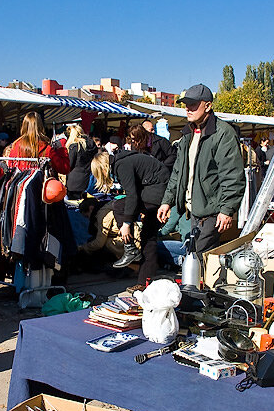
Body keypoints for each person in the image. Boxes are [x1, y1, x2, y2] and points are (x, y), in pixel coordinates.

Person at [158, 84, 245, 253]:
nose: (188, 109)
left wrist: (227, 210)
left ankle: (203, 279)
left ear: (208, 106)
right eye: (186, 104)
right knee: (195, 255)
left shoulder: (223, 134)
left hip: (213, 211)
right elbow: (178, 172)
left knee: (199, 255)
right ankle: (199, 278)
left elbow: (232, 176)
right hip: (193, 210)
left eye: (193, 104)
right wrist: (167, 201)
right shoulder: (187, 135)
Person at [93, 126, 170, 285]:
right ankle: (144, 283)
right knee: (148, 239)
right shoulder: (124, 160)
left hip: (157, 190)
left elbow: (132, 195)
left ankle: (130, 249)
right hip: (159, 189)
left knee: (120, 205)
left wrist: (126, 223)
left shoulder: (122, 165)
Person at [64, 124, 98, 200]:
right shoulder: (92, 145)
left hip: (74, 183)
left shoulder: (75, 146)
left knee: (75, 206)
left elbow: (69, 165)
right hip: (88, 179)